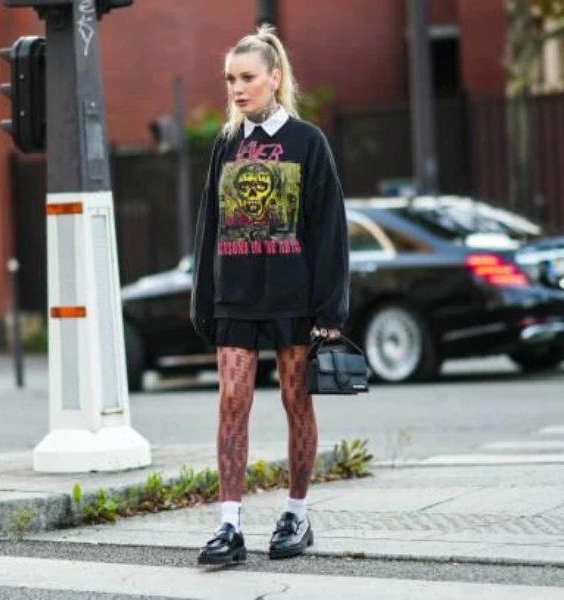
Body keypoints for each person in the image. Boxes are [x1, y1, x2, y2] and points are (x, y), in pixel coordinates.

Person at [191, 24, 349, 565]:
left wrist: (330, 310)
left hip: (294, 298)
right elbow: (208, 224)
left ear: (274, 78)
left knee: (294, 400)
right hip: (236, 297)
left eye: (248, 77)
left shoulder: (308, 142)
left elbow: (330, 230)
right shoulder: (226, 144)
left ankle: (296, 516)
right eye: (230, 79)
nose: (237, 88)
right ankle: (228, 525)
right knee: (231, 403)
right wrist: (202, 297)